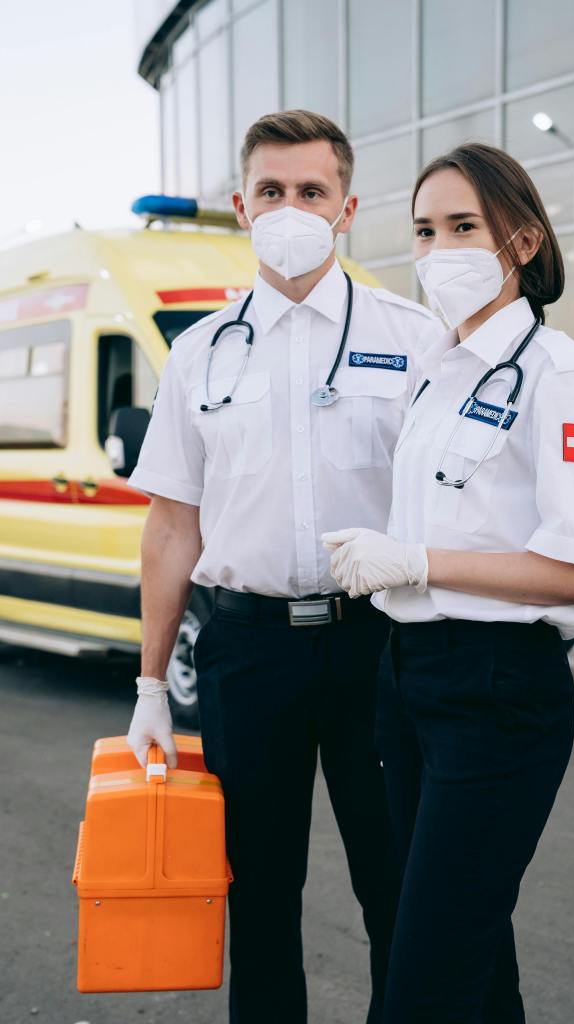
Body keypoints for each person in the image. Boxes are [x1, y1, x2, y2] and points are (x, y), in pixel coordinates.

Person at [125, 109, 443, 1024]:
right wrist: (152, 685)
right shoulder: (199, 353)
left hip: (379, 650)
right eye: (273, 191)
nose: (292, 206)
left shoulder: (416, 339)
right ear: (241, 207)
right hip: (247, 655)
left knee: (398, 890)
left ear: (347, 208)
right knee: (260, 896)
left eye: (312, 191)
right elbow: (171, 525)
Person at [323, 142, 574, 1023]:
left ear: (523, 241)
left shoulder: (560, 378)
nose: (438, 250)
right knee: (472, 962)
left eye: (464, 227)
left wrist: (421, 564)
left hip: (499, 691)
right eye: (423, 230)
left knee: (422, 985)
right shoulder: (437, 375)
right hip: (407, 677)